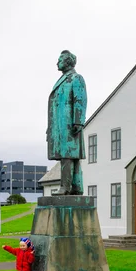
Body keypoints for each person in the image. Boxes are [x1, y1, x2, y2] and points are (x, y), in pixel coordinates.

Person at [47, 50, 87, 195]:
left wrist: (78, 121)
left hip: (69, 124)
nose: (57, 62)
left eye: (60, 60)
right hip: (60, 124)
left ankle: (66, 187)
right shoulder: (63, 79)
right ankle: (76, 187)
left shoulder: (76, 78)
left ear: (68, 61)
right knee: (70, 156)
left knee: (68, 155)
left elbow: (80, 99)